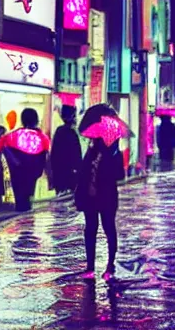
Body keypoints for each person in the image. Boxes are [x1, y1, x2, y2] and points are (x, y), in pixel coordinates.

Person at [75, 137, 125, 281]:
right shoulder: (91, 152)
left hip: (107, 197)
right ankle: (90, 266)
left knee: (108, 228)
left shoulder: (114, 153)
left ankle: (110, 265)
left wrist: (113, 158)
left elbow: (119, 175)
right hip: (90, 198)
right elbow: (83, 173)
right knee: (91, 229)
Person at [0, 108, 50, 212]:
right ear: (36, 120)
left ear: (22, 120)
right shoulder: (42, 137)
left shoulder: (11, 136)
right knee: (29, 196)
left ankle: (20, 217)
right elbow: (46, 156)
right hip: (33, 173)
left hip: (17, 173)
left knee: (19, 199)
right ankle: (28, 217)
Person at [50, 105, 82, 195]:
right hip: (70, 173)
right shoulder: (72, 133)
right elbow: (77, 155)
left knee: (60, 197)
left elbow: (54, 153)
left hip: (58, 172)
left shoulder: (59, 131)